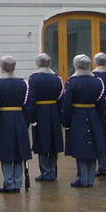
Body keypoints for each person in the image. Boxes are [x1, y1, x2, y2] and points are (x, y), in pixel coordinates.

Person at [61, 54, 106, 188]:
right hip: (93, 115)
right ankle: (89, 178)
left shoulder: (72, 82)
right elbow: (101, 103)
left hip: (77, 116)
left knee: (80, 148)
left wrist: (66, 122)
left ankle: (83, 177)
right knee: (92, 148)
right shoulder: (98, 81)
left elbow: (67, 104)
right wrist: (99, 119)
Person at [0, 55, 31, 193]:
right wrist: (26, 122)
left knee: (6, 153)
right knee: (19, 153)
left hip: (4, 119)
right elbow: (27, 105)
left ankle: (9, 182)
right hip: (19, 118)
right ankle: (17, 183)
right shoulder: (23, 83)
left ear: (2, 67)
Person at [27, 53, 64, 182]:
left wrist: (31, 117)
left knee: (42, 142)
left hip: (40, 111)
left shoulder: (34, 78)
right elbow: (61, 98)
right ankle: (52, 170)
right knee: (53, 143)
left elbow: (31, 99)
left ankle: (45, 171)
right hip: (53, 111)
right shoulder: (57, 78)